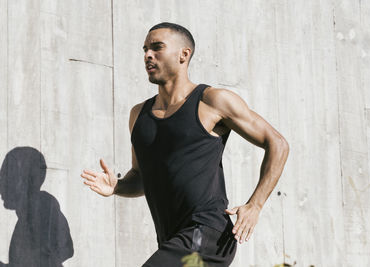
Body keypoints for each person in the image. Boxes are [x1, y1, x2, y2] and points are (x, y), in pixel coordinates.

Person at [81, 22, 289, 266]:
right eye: (145, 49)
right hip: (173, 240)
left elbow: (278, 144)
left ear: (184, 54)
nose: (148, 55)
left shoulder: (212, 101)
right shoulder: (139, 115)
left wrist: (255, 205)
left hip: (208, 235)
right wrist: (117, 186)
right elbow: (140, 177)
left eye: (157, 48)